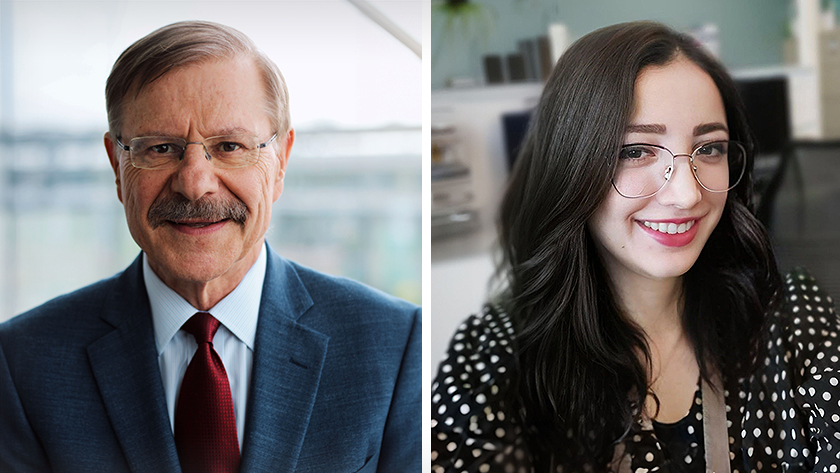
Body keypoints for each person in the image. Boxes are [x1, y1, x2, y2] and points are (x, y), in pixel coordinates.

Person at [0, 20, 421, 473]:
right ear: (117, 165)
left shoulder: (394, 345)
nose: (195, 184)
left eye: (229, 146)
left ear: (280, 162)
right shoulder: (22, 363)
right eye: (160, 148)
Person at [431, 21, 840, 473]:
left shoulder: (794, 313)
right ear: (571, 164)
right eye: (636, 151)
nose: (686, 194)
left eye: (709, 149)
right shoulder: (496, 357)